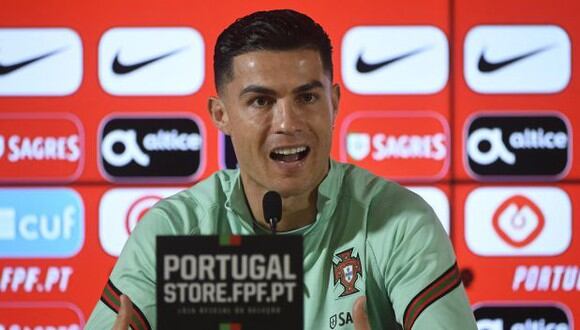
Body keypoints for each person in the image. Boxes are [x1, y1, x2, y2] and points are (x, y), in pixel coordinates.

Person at [86, 9, 477, 330]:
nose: (288, 122)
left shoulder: (398, 220)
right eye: (261, 102)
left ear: (334, 103)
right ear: (221, 115)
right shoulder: (174, 230)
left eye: (307, 97)